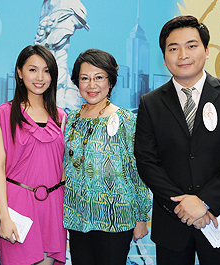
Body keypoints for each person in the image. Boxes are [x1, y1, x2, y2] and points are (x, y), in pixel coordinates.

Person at [134, 15, 220, 265]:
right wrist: (184, 207)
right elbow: (147, 161)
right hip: (173, 223)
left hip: (219, 218)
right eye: (173, 48)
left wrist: (204, 202)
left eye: (191, 46)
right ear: (164, 56)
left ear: (207, 50)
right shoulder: (151, 103)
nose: (183, 55)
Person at [63, 48, 152, 265]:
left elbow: (137, 170)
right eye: (85, 78)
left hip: (115, 216)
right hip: (78, 217)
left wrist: (142, 217)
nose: (92, 85)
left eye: (99, 77)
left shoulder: (126, 119)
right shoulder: (70, 119)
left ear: (110, 81)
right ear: (76, 82)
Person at [0, 45, 67, 265]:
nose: (40, 77)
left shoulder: (61, 117)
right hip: (17, 207)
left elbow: (62, 168)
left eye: (46, 70)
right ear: (19, 72)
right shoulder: (4, 113)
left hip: (53, 207)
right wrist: (3, 216)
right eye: (33, 70)